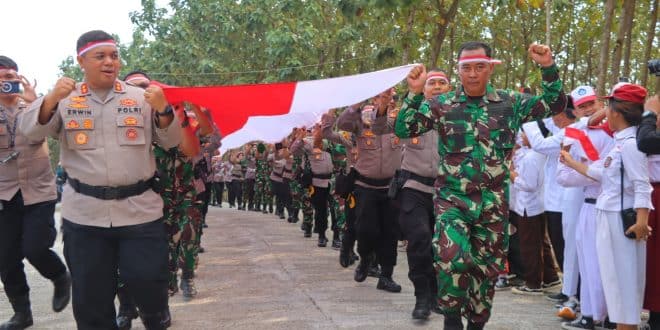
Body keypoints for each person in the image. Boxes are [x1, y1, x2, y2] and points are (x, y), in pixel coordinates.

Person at [395, 41, 566, 329]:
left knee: (484, 271)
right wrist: (413, 93)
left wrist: (547, 66)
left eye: (479, 67)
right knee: (452, 258)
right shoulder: (442, 105)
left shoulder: (511, 103)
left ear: (490, 68)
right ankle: (451, 315)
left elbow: (555, 104)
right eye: (466, 68)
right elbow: (404, 128)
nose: (472, 74)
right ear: (458, 71)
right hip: (452, 200)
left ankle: (475, 322)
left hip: (492, 204)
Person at [19, 30, 182, 329]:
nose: (110, 62)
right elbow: (31, 132)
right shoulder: (64, 100)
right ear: (81, 60)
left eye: (114, 56)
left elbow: (172, 141)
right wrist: (51, 98)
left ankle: (155, 313)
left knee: (148, 280)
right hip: (85, 215)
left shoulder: (142, 98)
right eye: (100, 56)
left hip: (139, 211)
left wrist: (164, 109)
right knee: (91, 300)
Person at [561, 83, 652, 330]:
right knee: (614, 284)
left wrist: (642, 222)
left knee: (623, 284)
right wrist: (570, 162)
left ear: (615, 112)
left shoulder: (631, 144)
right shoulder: (619, 142)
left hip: (621, 220)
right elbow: (599, 172)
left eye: (609, 107)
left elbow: (642, 185)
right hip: (607, 216)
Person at [0, 55, 71, 329]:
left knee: (36, 248)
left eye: (11, 77)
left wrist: (33, 102)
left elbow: (55, 131)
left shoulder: (38, 104)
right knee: (5, 259)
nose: (8, 82)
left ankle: (59, 275)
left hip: (38, 189)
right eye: (2, 78)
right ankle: (22, 314)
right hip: (4, 192)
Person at [394, 69, 450, 319]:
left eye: (442, 83)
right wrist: (413, 93)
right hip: (413, 188)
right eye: (432, 83)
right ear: (424, 88)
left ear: (449, 88)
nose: (437, 86)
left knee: (442, 247)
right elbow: (396, 127)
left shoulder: (457, 116)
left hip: (445, 191)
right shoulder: (411, 116)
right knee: (419, 240)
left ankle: (437, 294)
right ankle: (422, 298)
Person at [337, 88, 403, 294]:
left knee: (390, 233)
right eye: (379, 96)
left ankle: (386, 275)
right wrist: (355, 104)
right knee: (366, 229)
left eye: (388, 96)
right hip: (365, 187)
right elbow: (342, 125)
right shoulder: (360, 121)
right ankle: (365, 258)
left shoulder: (399, 122)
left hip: (390, 187)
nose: (384, 99)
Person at [509, 130, 559, 296]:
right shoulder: (538, 153)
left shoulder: (531, 157)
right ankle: (550, 276)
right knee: (540, 242)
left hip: (528, 205)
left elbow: (529, 185)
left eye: (525, 134)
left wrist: (512, 175)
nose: (521, 137)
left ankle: (533, 283)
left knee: (529, 245)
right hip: (539, 204)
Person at [637, 95, 660, 330]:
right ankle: (655, 317)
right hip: (653, 191)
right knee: (653, 261)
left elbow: (646, 142)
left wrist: (649, 113)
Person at [290, 126, 334, 247]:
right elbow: (293, 150)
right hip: (315, 183)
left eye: (320, 128)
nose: (318, 130)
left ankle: (324, 233)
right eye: (316, 128)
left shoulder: (330, 141)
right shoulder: (308, 143)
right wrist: (299, 137)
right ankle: (315, 231)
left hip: (330, 182)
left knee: (326, 211)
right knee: (316, 209)